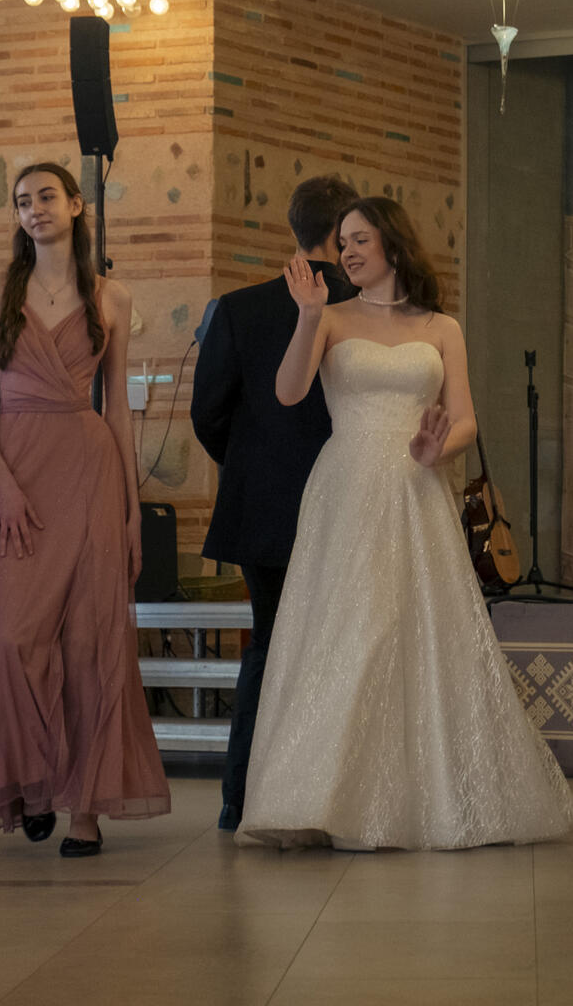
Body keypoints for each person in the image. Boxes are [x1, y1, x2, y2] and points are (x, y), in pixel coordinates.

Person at [237, 196, 573, 851]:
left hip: (418, 488)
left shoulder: (442, 327)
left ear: (393, 243)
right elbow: (287, 392)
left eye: (360, 239)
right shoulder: (331, 317)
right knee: (353, 632)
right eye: (342, 243)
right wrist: (307, 316)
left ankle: (416, 801)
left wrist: (437, 449)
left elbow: (466, 419)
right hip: (348, 488)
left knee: (415, 632)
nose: (348, 252)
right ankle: (321, 798)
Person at [0, 163, 169, 856]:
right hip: (15, 474)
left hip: (91, 472)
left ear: (77, 205)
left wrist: (131, 510)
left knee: (88, 646)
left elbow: (116, 410)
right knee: (5, 637)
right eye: (21, 202)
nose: (33, 209)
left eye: (45, 197)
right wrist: (3, 485)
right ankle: (31, 780)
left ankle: (84, 809)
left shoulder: (112, 295)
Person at [191, 174, 360, 833]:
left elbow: (209, 414)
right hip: (353, 500)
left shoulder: (238, 308)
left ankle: (240, 796)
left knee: (267, 645)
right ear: (344, 231)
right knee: (345, 647)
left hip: (263, 507)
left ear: (293, 227)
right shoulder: (371, 307)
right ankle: (332, 794)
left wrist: (251, 467)